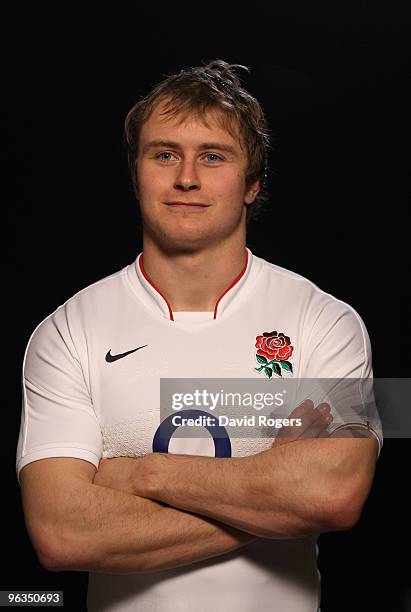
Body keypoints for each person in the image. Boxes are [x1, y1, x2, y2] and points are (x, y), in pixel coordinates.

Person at [17, 59, 382, 612]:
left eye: (213, 157)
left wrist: (140, 473)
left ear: (251, 185)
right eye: (164, 154)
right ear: (137, 174)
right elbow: (61, 534)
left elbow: (334, 495)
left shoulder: (328, 321)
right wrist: (275, 498)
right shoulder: (65, 331)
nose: (186, 177)